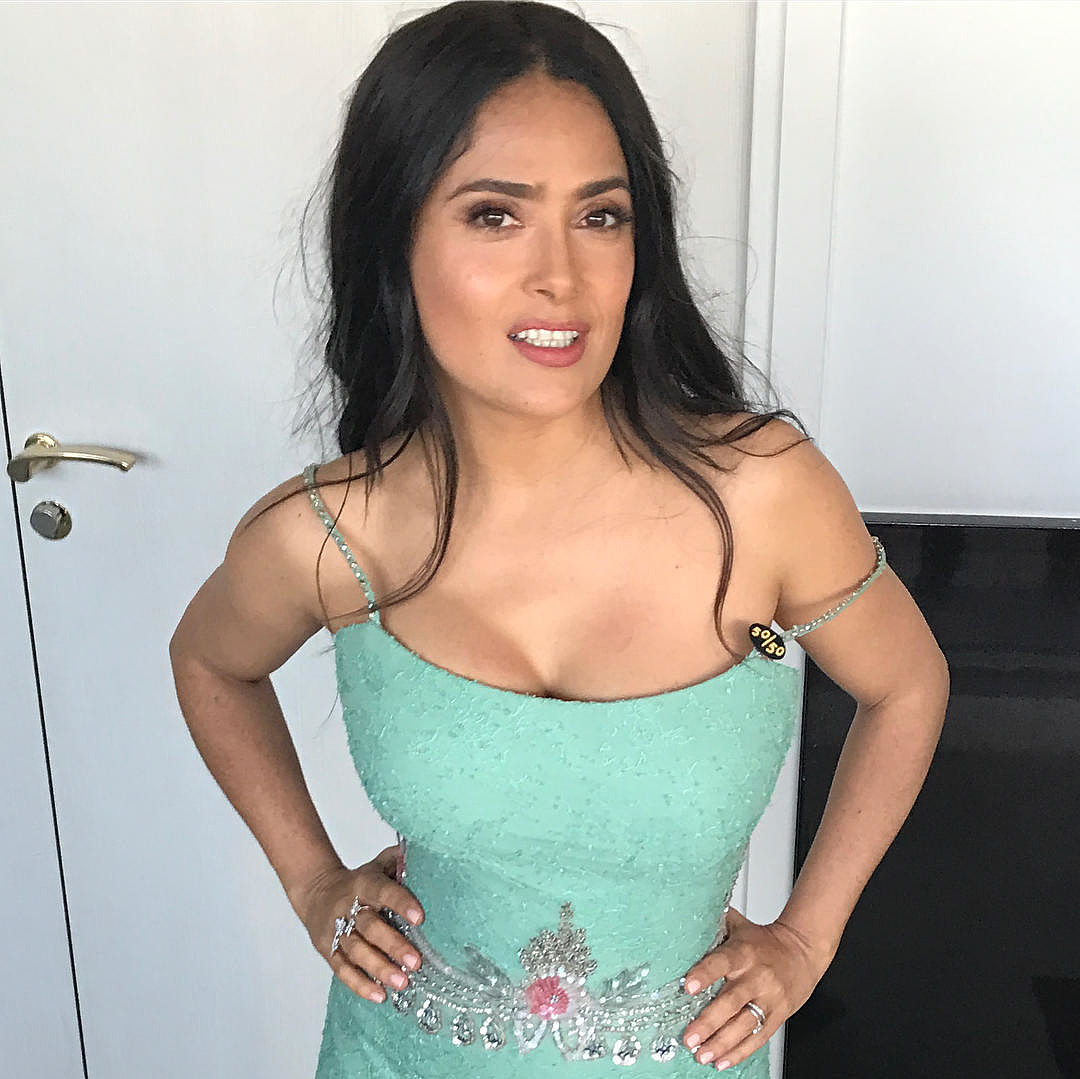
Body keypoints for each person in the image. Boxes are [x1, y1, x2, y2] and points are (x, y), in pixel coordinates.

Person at [168, 2, 949, 1076]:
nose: (561, 278)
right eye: (494, 215)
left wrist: (806, 938)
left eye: (601, 215)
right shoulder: (332, 536)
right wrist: (311, 878)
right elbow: (209, 660)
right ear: (395, 237)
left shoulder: (760, 494)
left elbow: (907, 683)